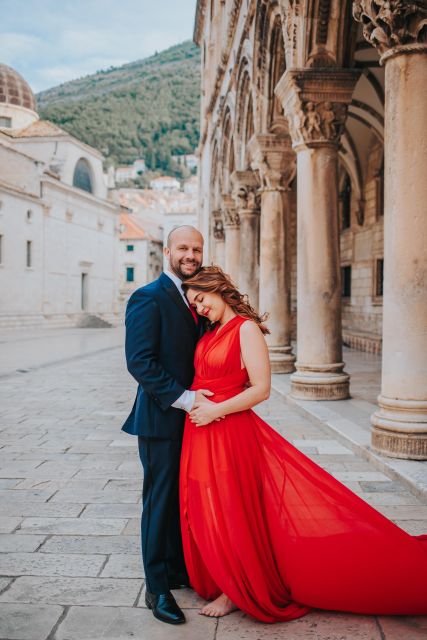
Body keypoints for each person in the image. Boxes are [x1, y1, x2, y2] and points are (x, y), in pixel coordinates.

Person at [180, 265, 427, 623]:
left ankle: (237, 589)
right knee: (209, 504)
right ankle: (225, 574)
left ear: (217, 288)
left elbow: (261, 389)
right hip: (201, 432)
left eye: (201, 299)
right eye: (194, 305)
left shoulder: (244, 329)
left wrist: (216, 409)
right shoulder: (211, 331)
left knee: (234, 506)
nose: (200, 308)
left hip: (229, 430)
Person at [122, 226, 213, 625]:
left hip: (196, 420)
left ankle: (176, 569)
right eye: (183, 248)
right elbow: (140, 362)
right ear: (167, 251)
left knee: (183, 497)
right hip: (161, 418)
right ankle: (156, 587)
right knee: (160, 500)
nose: (191, 255)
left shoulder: (199, 296)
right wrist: (186, 398)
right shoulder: (148, 296)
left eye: (196, 248)